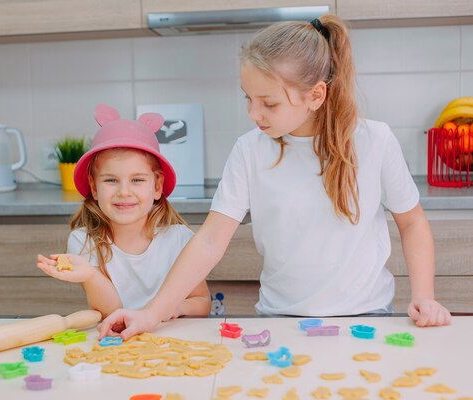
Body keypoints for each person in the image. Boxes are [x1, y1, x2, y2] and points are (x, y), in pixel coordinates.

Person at [99, 15, 452, 339]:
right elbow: (210, 241)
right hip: (280, 320)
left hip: (366, 318)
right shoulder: (250, 150)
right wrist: (152, 313)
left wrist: (424, 297)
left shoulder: (375, 141)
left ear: (315, 95)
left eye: (269, 103)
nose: (254, 113)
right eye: (248, 99)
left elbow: (412, 223)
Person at [37, 104, 211, 318]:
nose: (124, 192)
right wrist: (90, 275)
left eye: (137, 180)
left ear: (157, 186)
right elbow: (112, 312)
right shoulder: (84, 242)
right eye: (111, 180)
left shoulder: (179, 239)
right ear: (94, 187)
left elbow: (202, 303)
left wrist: (172, 308)